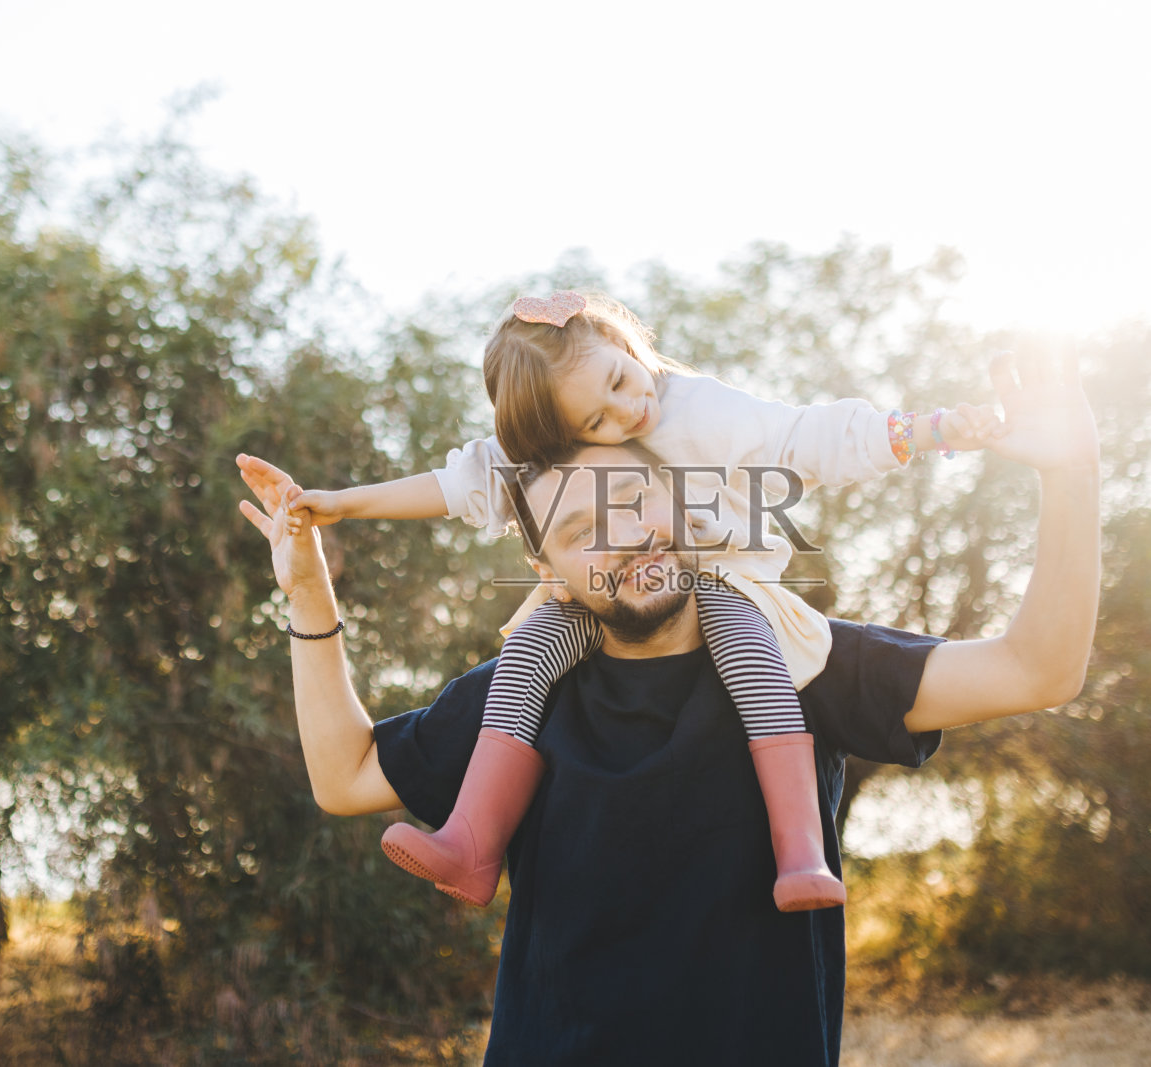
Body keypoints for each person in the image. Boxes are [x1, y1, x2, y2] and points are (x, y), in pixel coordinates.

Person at [236, 348, 1101, 1066]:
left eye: (635, 502)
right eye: (581, 532)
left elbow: (1038, 670)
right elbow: (344, 777)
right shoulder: (521, 692)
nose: (624, 536)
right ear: (549, 573)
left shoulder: (802, 660)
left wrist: (1072, 472)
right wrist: (309, 594)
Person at [251, 289, 1000, 912]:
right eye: (594, 423)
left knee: (751, 653)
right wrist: (341, 505)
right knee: (529, 652)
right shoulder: (553, 448)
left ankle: (800, 848)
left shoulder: (701, 411)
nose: (624, 417)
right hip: (604, 593)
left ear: (623, 339)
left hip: (717, 577)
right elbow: (457, 484)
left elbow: (808, 436)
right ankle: (472, 841)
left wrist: (923, 432)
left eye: (618, 383)